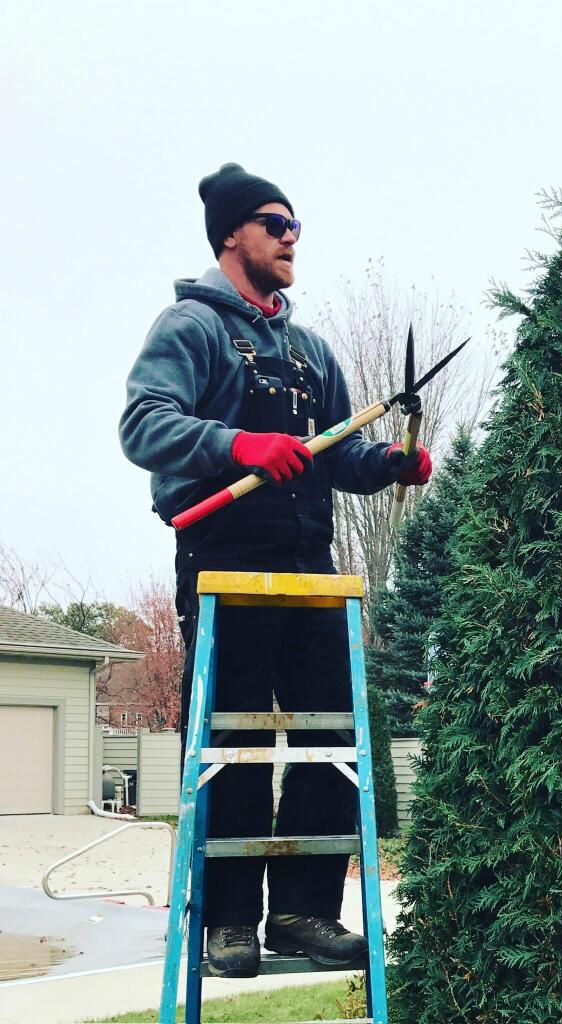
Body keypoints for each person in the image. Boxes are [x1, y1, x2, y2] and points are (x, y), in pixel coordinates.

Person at [119, 163, 431, 977]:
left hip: (310, 567)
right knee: (231, 744)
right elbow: (143, 425)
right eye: (276, 222)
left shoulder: (309, 350)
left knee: (333, 738)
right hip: (226, 564)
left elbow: (340, 453)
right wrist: (236, 445)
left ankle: (302, 912)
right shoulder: (187, 328)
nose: (293, 236)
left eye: (297, 224)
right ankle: (229, 922)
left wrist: (389, 465)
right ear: (232, 235)